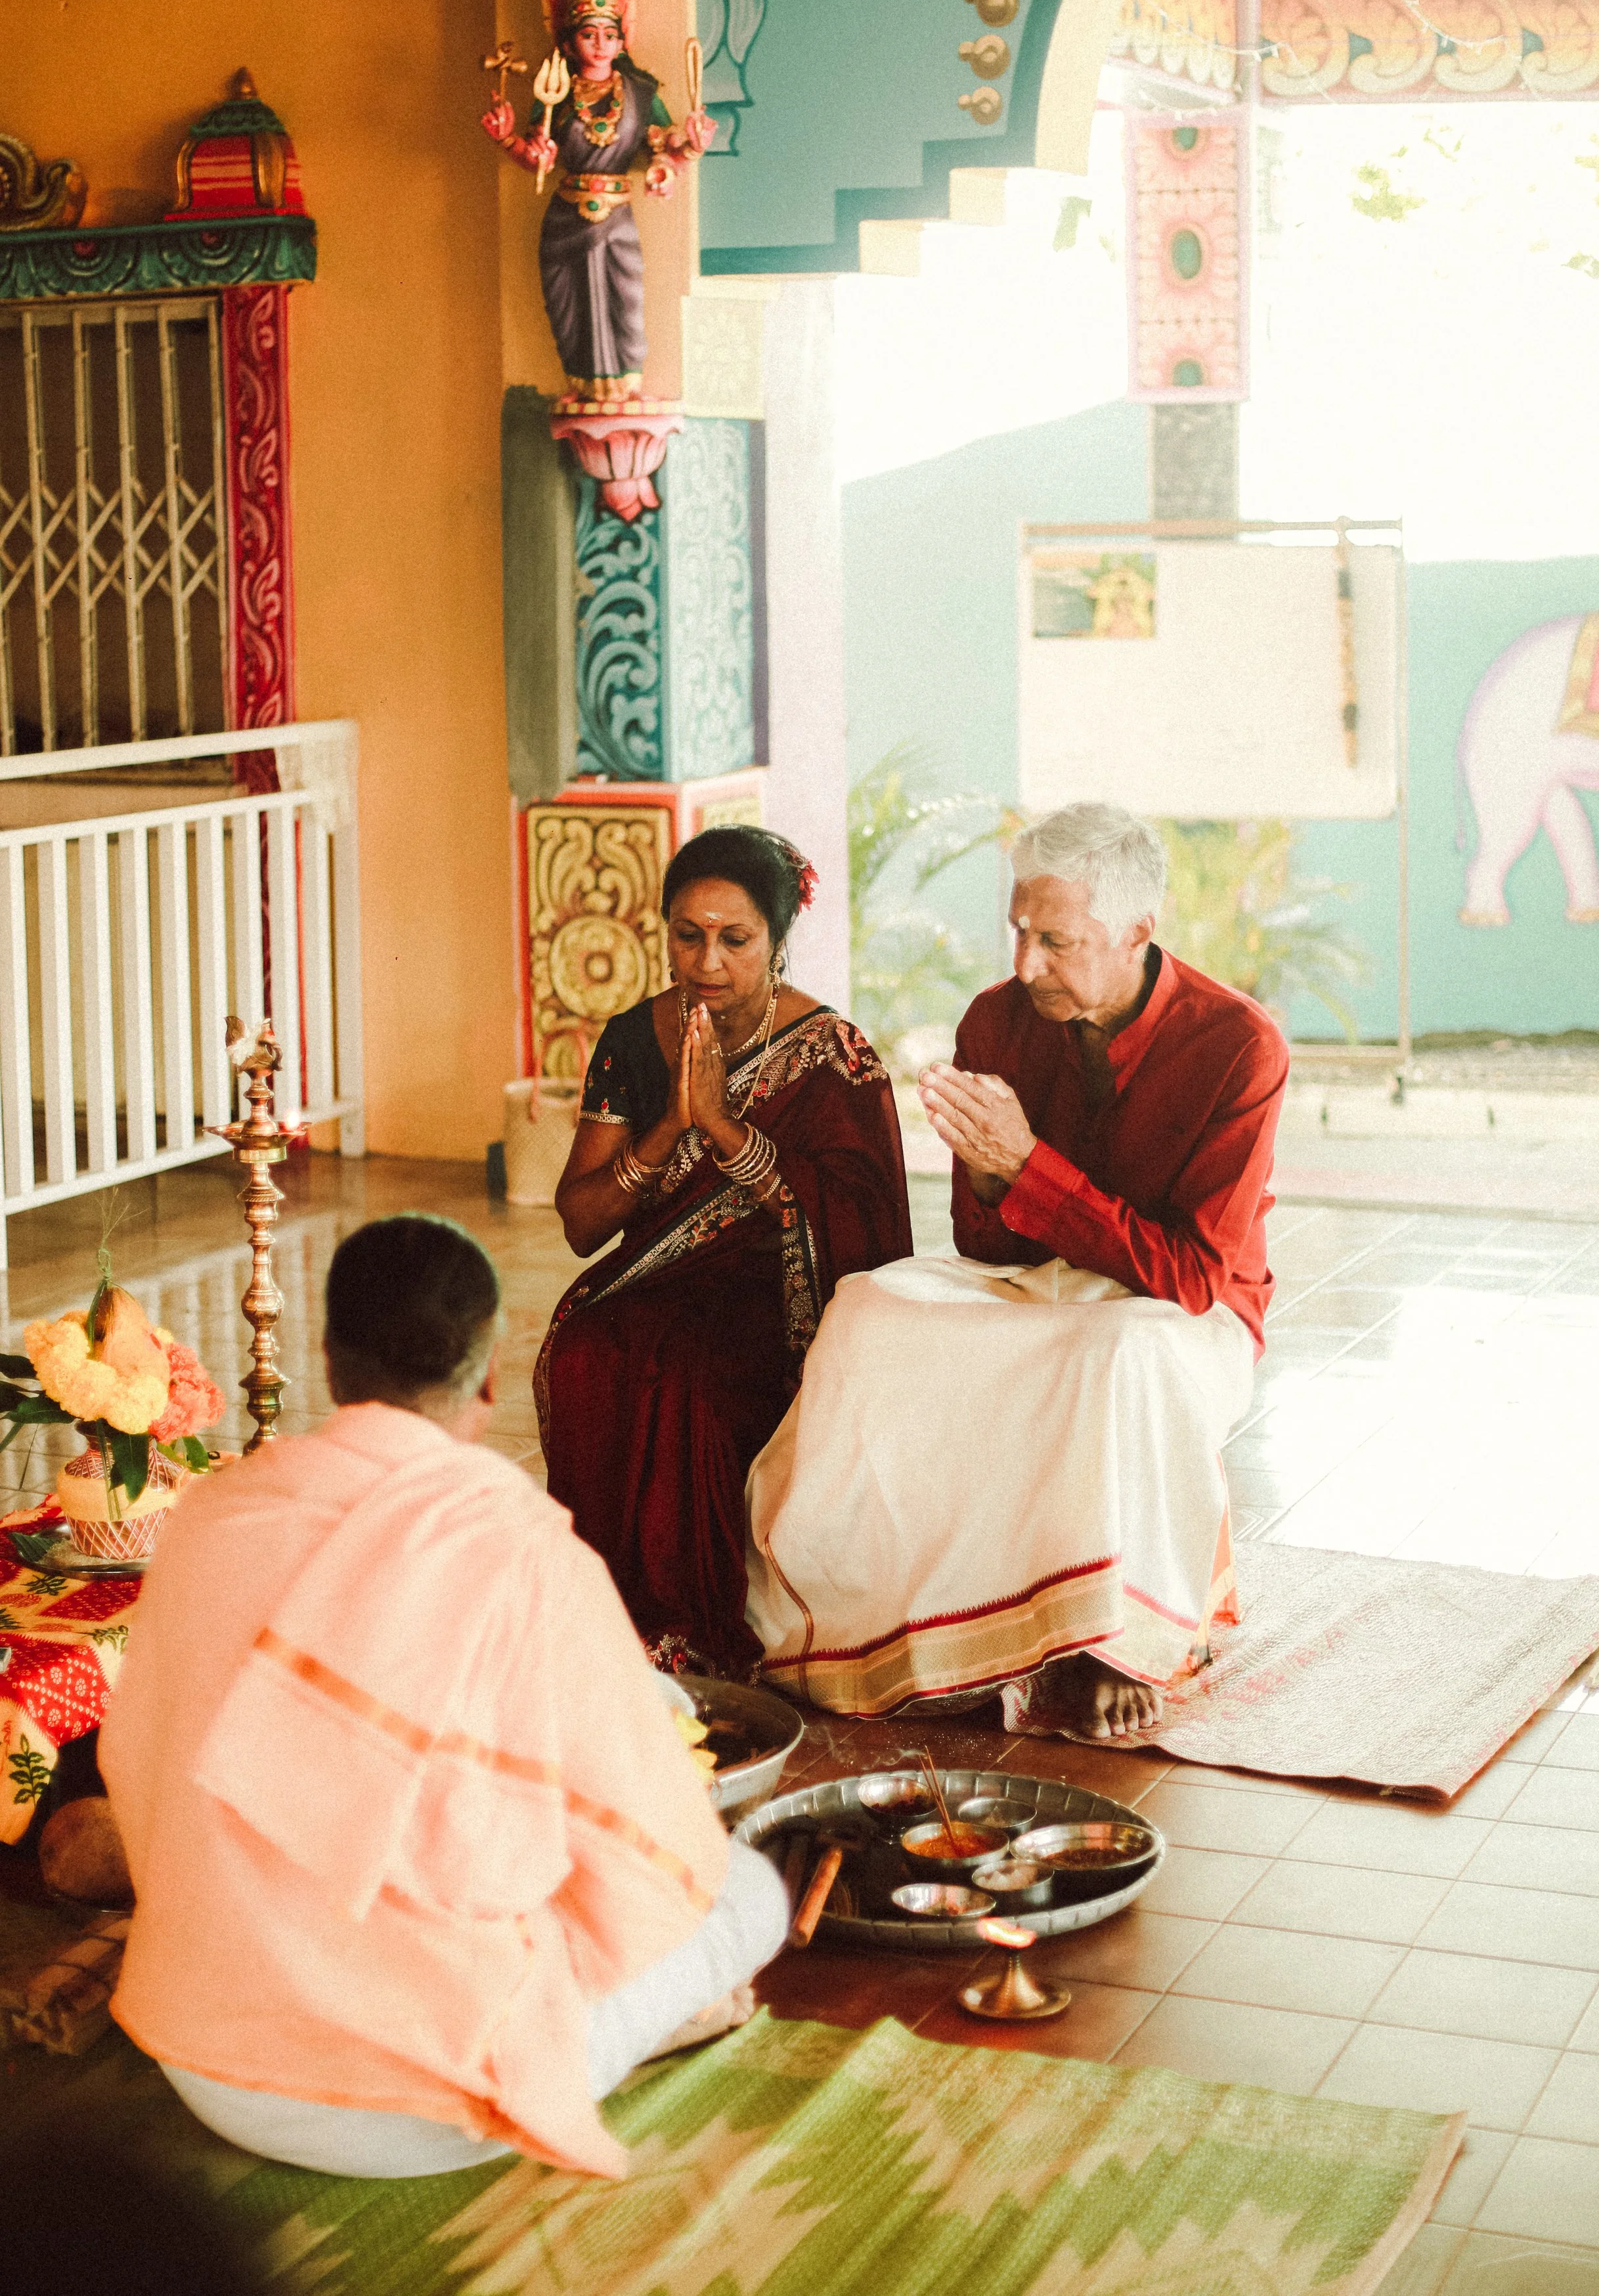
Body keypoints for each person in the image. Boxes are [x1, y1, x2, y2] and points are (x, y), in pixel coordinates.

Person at [100, 1215, 787, 2180]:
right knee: (747, 1895)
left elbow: (135, 1760)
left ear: (331, 1364)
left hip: (204, 2056)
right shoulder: (524, 1552)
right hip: (430, 2109)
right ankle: (628, 2038)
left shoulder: (209, 1515)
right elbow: (651, 1847)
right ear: (491, 1374)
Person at [745, 802, 1289, 1745]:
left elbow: (1196, 1274)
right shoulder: (997, 1022)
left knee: (1119, 1355)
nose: (1026, 963)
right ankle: (880, 1611)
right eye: (1019, 930)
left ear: (1136, 934)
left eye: (1056, 939)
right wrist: (998, 1174)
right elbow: (986, 1248)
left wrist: (1031, 1167)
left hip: (1180, 1317)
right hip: (1039, 1286)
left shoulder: (1238, 1046)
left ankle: (1110, 1637)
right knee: (869, 1311)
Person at [538, 827, 913, 1676]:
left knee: (690, 1381)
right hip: (663, 1277)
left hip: (783, 1297)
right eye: (687, 933)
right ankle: (602, 1611)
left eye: (735, 939)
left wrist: (726, 1130)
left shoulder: (834, 1054)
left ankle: (688, 1627)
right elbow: (582, 1224)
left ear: (778, 943)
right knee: (589, 1347)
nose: (707, 960)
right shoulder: (635, 1040)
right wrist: (674, 1120)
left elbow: (865, 1227)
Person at [481, 0, 712, 402]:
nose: (601, 45)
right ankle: (584, 388)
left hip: (617, 218)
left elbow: (665, 146)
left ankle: (625, 389)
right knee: (570, 314)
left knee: (626, 305)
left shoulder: (641, 91)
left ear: (622, 37)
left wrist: (689, 143)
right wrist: (507, 139)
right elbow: (537, 157)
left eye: (610, 35)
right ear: (569, 40)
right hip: (566, 217)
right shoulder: (556, 93)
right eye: (589, 34)